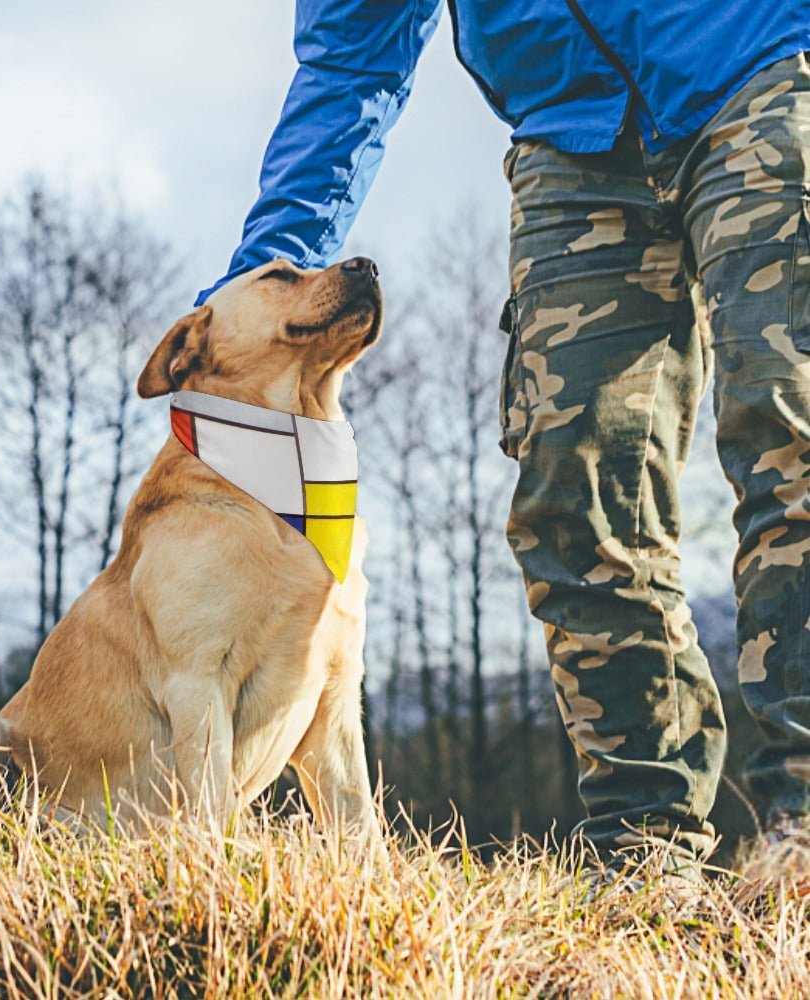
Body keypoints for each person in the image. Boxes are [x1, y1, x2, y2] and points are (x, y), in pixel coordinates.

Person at [197, 1, 810, 877]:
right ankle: (646, 852)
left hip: (760, 61)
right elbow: (350, 64)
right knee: (576, 498)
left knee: (790, 430)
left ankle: (804, 829)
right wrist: (262, 286)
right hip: (572, 139)